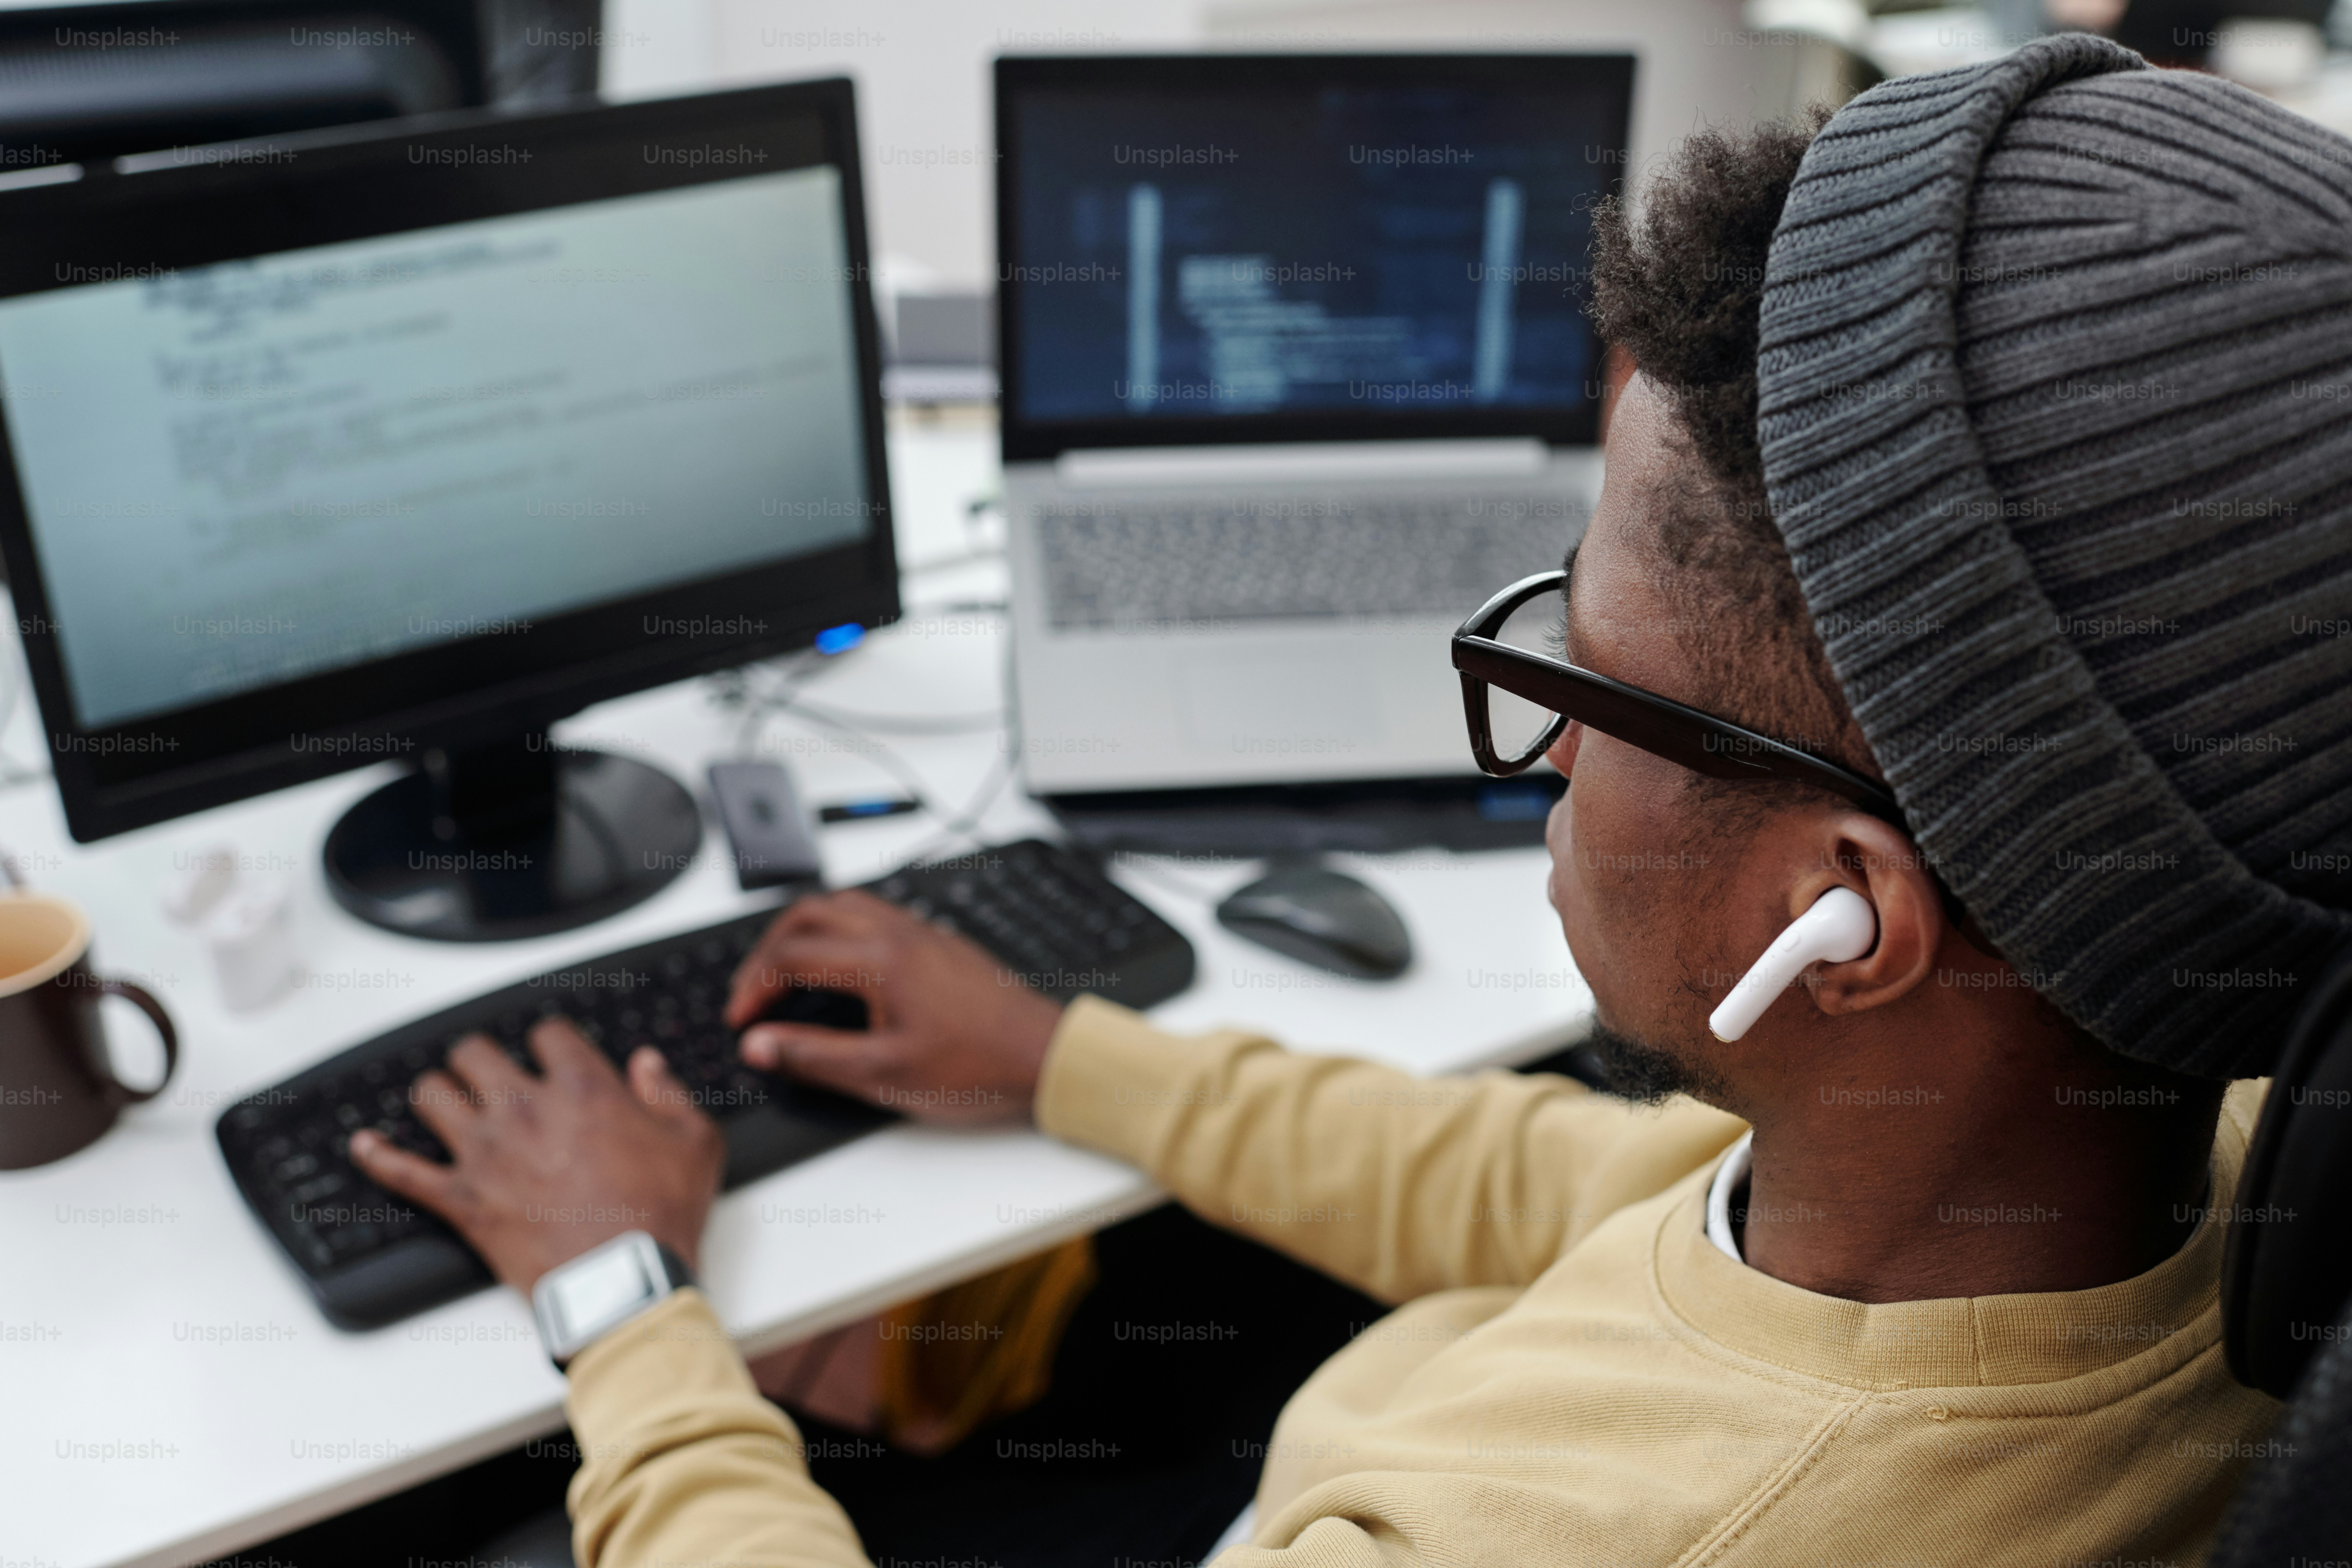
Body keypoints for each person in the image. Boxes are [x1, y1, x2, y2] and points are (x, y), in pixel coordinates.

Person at [350, 33, 2352, 1566]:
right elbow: (1574, 1198)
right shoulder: (2174, 1163)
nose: (1548, 746)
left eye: (1578, 667)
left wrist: (624, 1306)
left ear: (1842, 915)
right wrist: (1069, 1058)